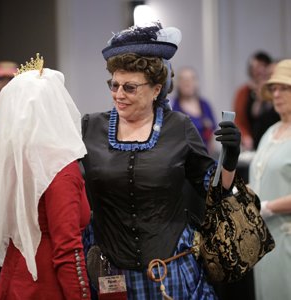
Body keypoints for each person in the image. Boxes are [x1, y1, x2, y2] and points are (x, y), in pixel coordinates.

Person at [81, 23, 241, 299]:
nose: (119, 94)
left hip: (172, 271)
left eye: (129, 87)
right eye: (114, 85)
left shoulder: (178, 127)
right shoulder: (91, 127)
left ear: (156, 89)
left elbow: (215, 192)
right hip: (112, 274)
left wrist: (230, 158)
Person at [0, 65, 91, 299]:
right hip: (47, 286)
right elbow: (67, 250)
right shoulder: (58, 166)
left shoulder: (16, 161)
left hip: (14, 279)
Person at [249, 59, 291, 300]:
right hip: (264, 242)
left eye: (284, 88)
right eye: (274, 88)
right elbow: (260, 178)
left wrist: (268, 207)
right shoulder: (270, 132)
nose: (276, 94)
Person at [233, 51, 279, 150]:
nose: (259, 70)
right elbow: (241, 119)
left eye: (262, 66)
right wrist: (245, 136)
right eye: (254, 67)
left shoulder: (276, 90)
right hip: (255, 141)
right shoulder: (245, 92)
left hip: (275, 139)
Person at [172, 67, 217, 155]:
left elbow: (211, 135)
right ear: (177, 84)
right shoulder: (172, 107)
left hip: (204, 157)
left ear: (197, 83)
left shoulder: (205, 105)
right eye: (183, 79)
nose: (187, 83)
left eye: (191, 79)